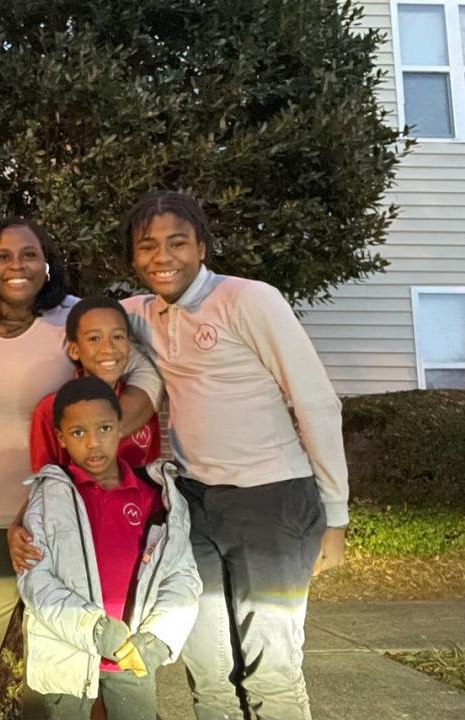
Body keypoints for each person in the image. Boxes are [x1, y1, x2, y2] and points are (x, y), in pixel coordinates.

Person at [118, 191, 348, 720]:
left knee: (271, 667)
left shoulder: (250, 300)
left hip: (273, 498)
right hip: (196, 504)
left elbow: (316, 401)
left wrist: (335, 515)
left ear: (201, 247)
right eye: (147, 247)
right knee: (208, 665)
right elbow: (76, 319)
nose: (162, 257)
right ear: (133, 258)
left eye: (177, 243)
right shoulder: (143, 315)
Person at [0, 217, 163, 719]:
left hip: (69, 521)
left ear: (47, 264)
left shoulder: (70, 318)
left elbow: (136, 360)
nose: (17, 266)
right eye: (2, 256)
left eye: (29, 255)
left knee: (56, 644)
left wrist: (119, 426)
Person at [18, 376, 201, 720]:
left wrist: (158, 639)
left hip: (134, 656)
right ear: (60, 437)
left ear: (120, 428)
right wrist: (96, 631)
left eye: (104, 428)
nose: (93, 443)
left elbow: (182, 577)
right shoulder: (48, 497)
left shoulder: (156, 497)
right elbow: (35, 580)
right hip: (66, 654)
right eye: (78, 433)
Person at [29, 295, 161, 471]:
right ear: (75, 350)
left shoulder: (144, 402)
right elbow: (45, 482)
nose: (108, 348)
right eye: (94, 338)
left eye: (118, 337)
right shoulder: (50, 410)